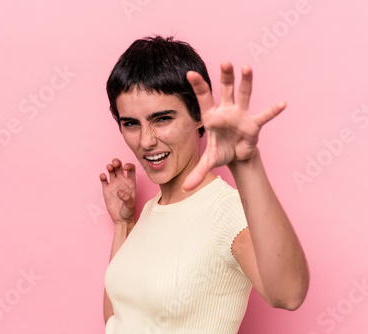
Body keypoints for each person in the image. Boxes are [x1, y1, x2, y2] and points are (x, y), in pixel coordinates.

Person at [99, 35, 309, 333]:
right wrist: (123, 223)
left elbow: (288, 294)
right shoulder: (149, 210)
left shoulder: (226, 211)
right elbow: (117, 318)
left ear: (199, 115)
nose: (146, 140)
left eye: (162, 119)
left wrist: (246, 164)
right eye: (131, 123)